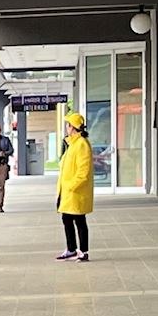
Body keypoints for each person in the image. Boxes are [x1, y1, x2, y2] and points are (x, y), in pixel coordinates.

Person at [56, 112, 94, 263]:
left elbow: (83, 171)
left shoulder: (82, 144)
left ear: (73, 127)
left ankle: (83, 251)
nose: (67, 127)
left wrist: (72, 186)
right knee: (66, 218)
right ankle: (71, 249)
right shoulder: (72, 144)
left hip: (76, 192)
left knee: (79, 220)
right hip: (68, 191)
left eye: (68, 125)